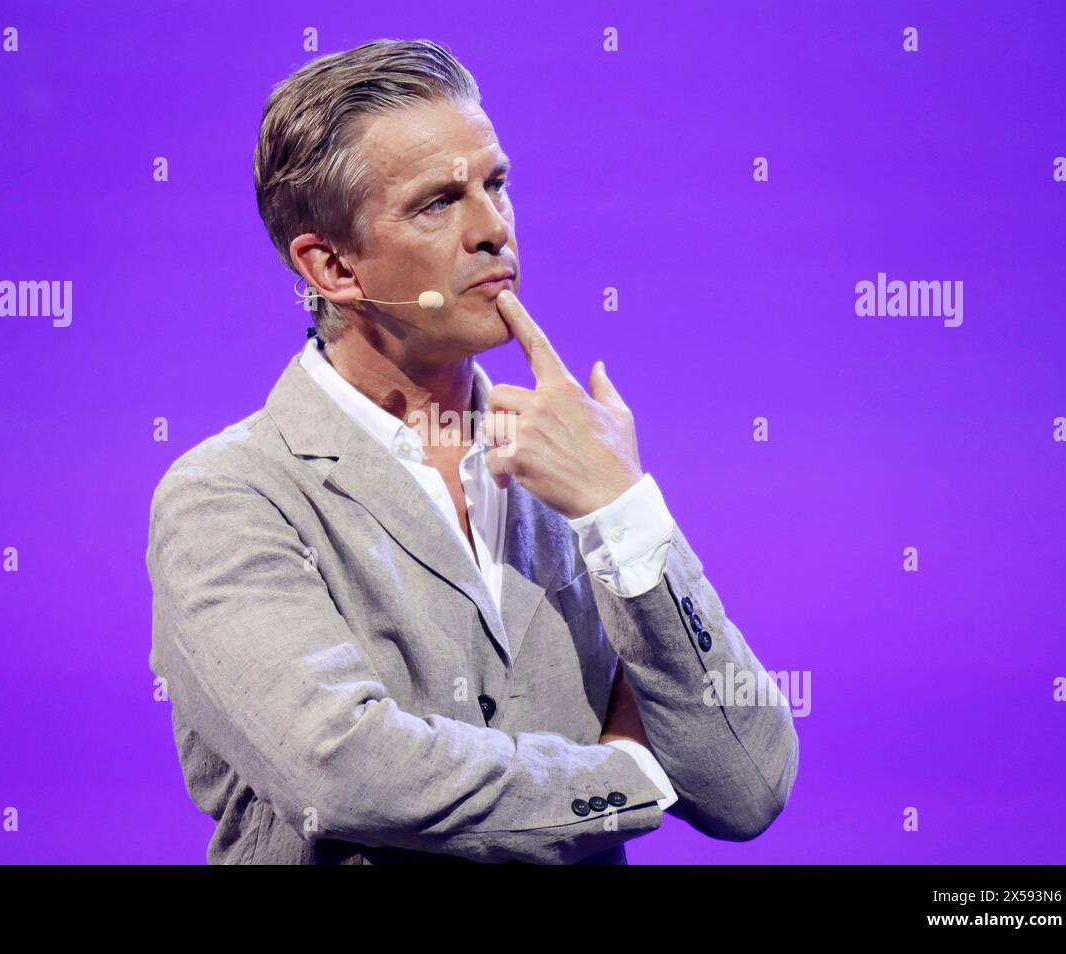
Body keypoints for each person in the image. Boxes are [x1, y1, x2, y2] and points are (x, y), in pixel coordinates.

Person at [145, 38, 798, 864]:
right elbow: (345, 770)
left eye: (496, 184)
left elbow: (747, 787)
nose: (494, 230)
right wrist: (629, 775)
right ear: (333, 265)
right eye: (438, 203)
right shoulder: (231, 495)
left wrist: (625, 512)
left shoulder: (574, 468)